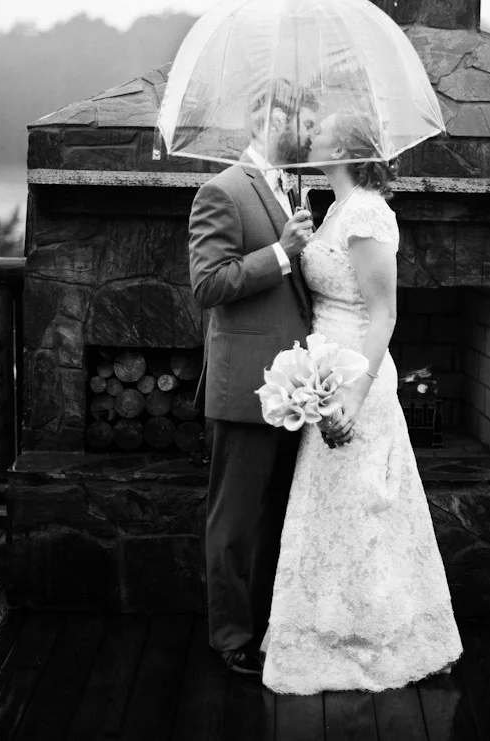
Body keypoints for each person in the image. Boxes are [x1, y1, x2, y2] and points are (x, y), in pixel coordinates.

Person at [260, 110, 463, 693]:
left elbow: (384, 314)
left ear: (347, 147)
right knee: (329, 510)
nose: (311, 135)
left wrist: (354, 390)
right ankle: (324, 631)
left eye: (321, 130)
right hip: (322, 371)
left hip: (357, 379)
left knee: (367, 508)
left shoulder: (368, 212)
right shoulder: (334, 210)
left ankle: (379, 640)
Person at [188, 79, 318, 677]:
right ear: (268, 115)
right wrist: (283, 254)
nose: (311, 128)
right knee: (234, 522)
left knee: (272, 517)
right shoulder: (222, 191)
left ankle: (268, 626)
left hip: (292, 389)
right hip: (245, 389)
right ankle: (230, 637)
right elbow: (208, 284)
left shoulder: (288, 188)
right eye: (303, 116)